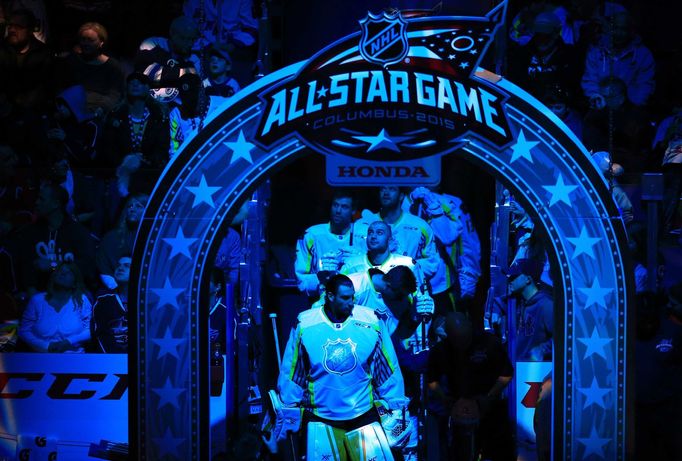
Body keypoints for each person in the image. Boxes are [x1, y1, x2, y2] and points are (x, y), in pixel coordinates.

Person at [272, 274, 407, 461]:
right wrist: (288, 405)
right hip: (320, 416)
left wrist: (396, 405)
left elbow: (387, 369)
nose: (351, 302)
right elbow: (294, 371)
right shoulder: (306, 324)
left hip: (363, 414)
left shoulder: (371, 321)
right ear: (330, 296)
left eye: (352, 296)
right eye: (345, 297)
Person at [427, 312, 515, 461]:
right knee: (460, 452)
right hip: (458, 408)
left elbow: (507, 373)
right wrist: (446, 400)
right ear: (449, 335)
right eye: (457, 340)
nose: (462, 343)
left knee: (496, 450)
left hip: (489, 406)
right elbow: (431, 380)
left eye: (465, 337)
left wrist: (489, 397)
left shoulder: (489, 343)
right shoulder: (440, 351)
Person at [405, 187, 481, 316]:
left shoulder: (450, 202)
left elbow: (467, 244)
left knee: (450, 332)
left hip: (444, 286)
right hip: (408, 286)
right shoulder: (398, 203)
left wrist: (469, 278)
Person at [14, 182, 97, 296]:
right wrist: (32, 293)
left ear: (55, 204)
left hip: (69, 295)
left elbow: (87, 267)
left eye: (41, 199)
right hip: (39, 295)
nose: (36, 202)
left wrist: (54, 265)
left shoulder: (78, 233)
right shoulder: (30, 232)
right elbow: (25, 266)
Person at [99, 72, 169, 198]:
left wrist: (145, 161)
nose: (135, 85)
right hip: (118, 174)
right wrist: (125, 162)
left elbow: (162, 147)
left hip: (148, 175)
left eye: (140, 82)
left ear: (148, 87)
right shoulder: (116, 116)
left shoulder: (158, 117)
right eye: (131, 82)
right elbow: (108, 147)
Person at [634, 288, 682, 461]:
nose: (646, 322)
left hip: (669, 410)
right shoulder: (626, 335)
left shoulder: (674, 332)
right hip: (638, 411)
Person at [358, 186, 440, 286]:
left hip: (407, 292)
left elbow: (432, 263)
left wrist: (402, 265)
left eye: (392, 189)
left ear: (401, 196)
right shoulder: (361, 225)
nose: (386, 192)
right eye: (383, 189)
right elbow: (356, 260)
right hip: (370, 290)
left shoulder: (420, 226)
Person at [294, 189, 368, 298]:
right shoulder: (312, 235)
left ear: (353, 211)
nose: (338, 211)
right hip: (322, 301)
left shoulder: (366, 234)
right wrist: (322, 281)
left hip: (358, 299)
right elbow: (301, 280)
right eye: (335, 205)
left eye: (344, 207)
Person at [340, 221, 426, 312]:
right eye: (370, 232)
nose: (373, 236)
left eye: (379, 233)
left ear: (390, 239)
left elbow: (421, 301)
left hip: (399, 322)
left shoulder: (408, 264)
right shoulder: (351, 264)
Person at [581, 10, 655, 108]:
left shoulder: (644, 55)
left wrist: (627, 104)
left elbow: (644, 85)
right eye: (615, 28)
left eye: (623, 29)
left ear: (632, 31)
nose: (618, 33)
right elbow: (590, 78)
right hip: (601, 105)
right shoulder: (596, 50)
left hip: (630, 108)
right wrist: (596, 97)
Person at [18, 261, 92, 352]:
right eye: (59, 270)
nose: (62, 273)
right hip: (40, 358)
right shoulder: (37, 300)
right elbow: (24, 330)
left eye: (68, 272)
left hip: (74, 357)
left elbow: (90, 329)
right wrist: (46, 346)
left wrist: (69, 342)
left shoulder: (81, 300)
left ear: (75, 282)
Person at [53, 22, 125, 115]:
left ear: (101, 43)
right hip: (70, 110)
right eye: (83, 39)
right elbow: (60, 86)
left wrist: (102, 108)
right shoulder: (71, 61)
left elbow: (115, 94)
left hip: (98, 113)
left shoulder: (112, 66)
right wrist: (64, 105)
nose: (86, 43)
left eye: (91, 40)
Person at [135, 15, 202, 106]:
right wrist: (184, 72)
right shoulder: (152, 45)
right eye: (183, 38)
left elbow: (193, 90)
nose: (189, 44)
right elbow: (147, 76)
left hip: (176, 109)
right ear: (172, 33)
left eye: (192, 39)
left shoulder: (194, 59)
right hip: (145, 102)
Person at [0, 8, 53, 113]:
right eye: (10, 25)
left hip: (33, 111)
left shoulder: (43, 53)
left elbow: (46, 85)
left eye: (18, 26)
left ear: (29, 30)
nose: (12, 30)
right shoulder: (1, 49)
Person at [169, 72, 227, 157]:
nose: (190, 105)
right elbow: (174, 149)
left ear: (202, 90)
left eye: (193, 100)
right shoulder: (177, 114)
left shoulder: (222, 105)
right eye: (186, 101)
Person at [506, 258, 553, 362]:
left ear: (528, 279)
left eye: (514, 277)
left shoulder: (546, 305)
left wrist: (542, 349)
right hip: (518, 370)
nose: (510, 280)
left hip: (535, 372)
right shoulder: (519, 305)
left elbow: (561, 337)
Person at [96, 193, 148, 289]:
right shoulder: (111, 238)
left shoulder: (153, 240)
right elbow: (104, 266)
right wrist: (117, 290)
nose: (132, 209)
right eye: (130, 206)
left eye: (138, 206)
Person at [91, 256, 130, 353]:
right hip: (110, 360)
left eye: (127, 265)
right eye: (118, 265)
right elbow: (101, 333)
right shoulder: (103, 299)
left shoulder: (145, 301)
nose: (120, 268)